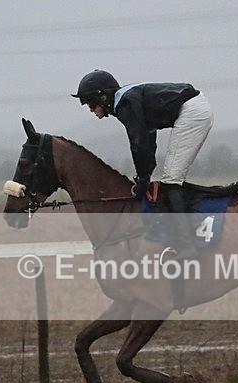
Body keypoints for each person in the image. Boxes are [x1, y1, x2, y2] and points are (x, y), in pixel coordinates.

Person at [72, 69, 214, 261]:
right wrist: (145, 174)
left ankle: (188, 245)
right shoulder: (127, 99)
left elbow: (138, 142)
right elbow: (148, 137)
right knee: (171, 179)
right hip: (194, 108)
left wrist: (143, 177)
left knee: (172, 181)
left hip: (192, 113)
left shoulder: (125, 104)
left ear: (103, 97)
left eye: (91, 104)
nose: (91, 109)